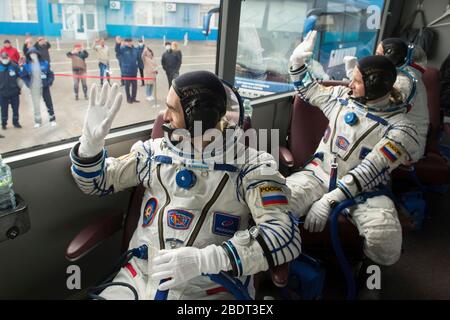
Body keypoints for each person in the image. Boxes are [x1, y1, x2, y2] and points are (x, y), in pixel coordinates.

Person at [69, 71, 300, 300]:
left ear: (198, 117)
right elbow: (96, 183)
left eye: (172, 109)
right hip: (137, 279)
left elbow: (284, 236)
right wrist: (90, 146)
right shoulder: (152, 153)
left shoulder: (253, 166)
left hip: (209, 286)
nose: (165, 117)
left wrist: (207, 260)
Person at [287, 31, 419, 271]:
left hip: (367, 190)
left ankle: (371, 280)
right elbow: (308, 91)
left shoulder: (401, 128)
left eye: (356, 81)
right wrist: (297, 63)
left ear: (373, 87)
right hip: (319, 173)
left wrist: (330, 199)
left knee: (385, 239)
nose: (349, 84)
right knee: (277, 209)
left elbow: (371, 170)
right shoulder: (340, 98)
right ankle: (285, 264)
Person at [344, 38, 429, 162]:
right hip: (397, 132)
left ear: (390, 58)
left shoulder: (404, 81)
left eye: (379, 55)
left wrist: (353, 73)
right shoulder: (398, 75)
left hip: (407, 143)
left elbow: (380, 108)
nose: (375, 58)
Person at [20, 47, 56, 127]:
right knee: (36, 105)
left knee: (49, 103)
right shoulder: (26, 66)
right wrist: (29, 84)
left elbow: (50, 74)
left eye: (34, 54)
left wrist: (49, 82)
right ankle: (38, 121)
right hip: (34, 89)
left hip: (45, 87)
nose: (33, 55)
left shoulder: (45, 63)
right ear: (29, 55)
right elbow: (23, 76)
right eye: (31, 54)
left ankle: (52, 119)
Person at [0, 52, 22, 130]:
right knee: (3, 110)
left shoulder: (14, 66)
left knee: (15, 109)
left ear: (9, 58)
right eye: (3, 58)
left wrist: (19, 88)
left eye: (6, 58)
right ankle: (4, 123)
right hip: (2, 93)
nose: (4, 60)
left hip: (14, 92)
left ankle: (16, 122)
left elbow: (20, 77)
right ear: (0, 58)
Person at [119, 38, 139, 104]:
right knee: (127, 86)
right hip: (126, 71)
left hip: (134, 71)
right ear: (125, 42)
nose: (129, 42)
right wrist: (118, 43)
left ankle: (133, 98)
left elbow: (138, 58)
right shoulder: (123, 49)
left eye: (130, 41)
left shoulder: (135, 49)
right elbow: (117, 50)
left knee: (134, 86)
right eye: (127, 41)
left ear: (132, 42)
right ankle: (128, 98)